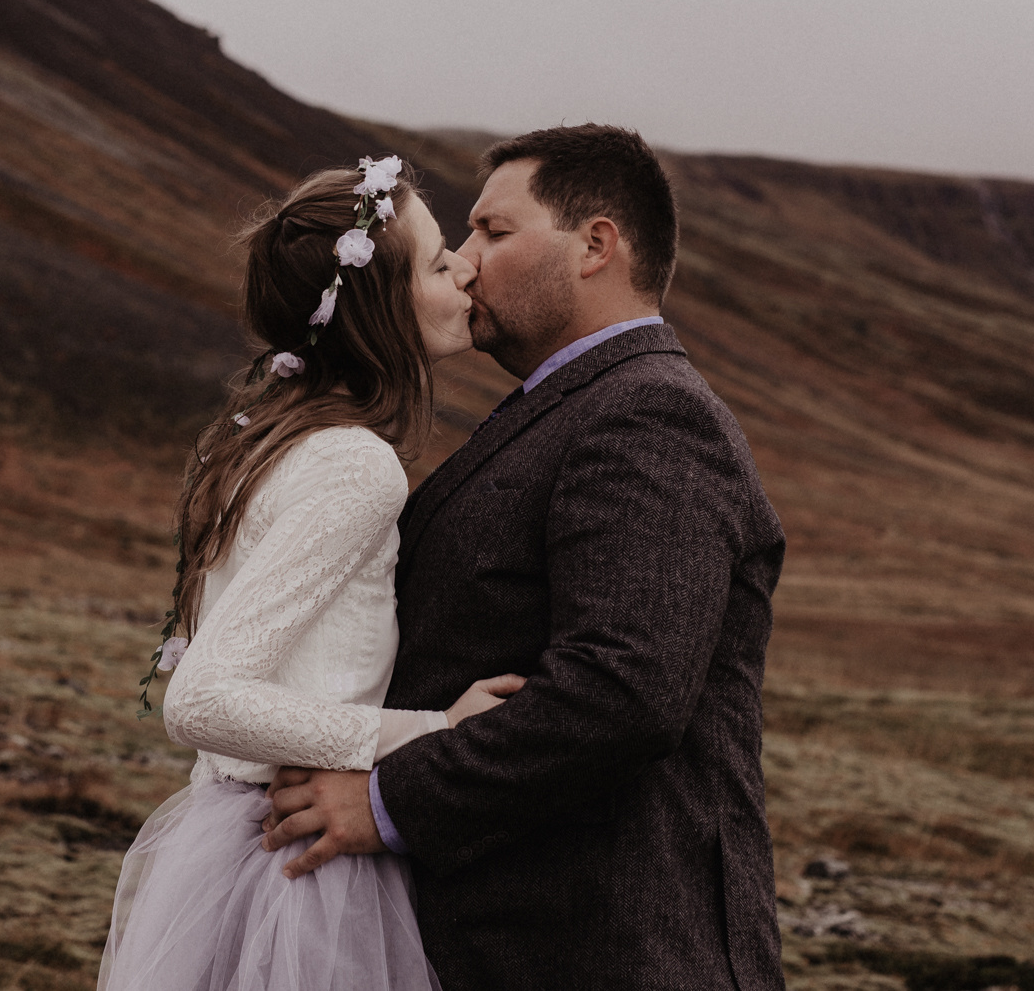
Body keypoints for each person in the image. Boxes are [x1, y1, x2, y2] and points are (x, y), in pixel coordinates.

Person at [262, 124, 788, 991]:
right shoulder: (562, 407)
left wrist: (389, 799)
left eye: (493, 232)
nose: (465, 263)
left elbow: (625, 690)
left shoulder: (650, 414)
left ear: (595, 246)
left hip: (608, 954)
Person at [100, 156, 521, 991]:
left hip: (234, 843)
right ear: (381, 306)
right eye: (438, 263)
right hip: (297, 864)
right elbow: (202, 698)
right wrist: (433, 731)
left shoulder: (266, 436)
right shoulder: (355, 465)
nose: (466, 266)